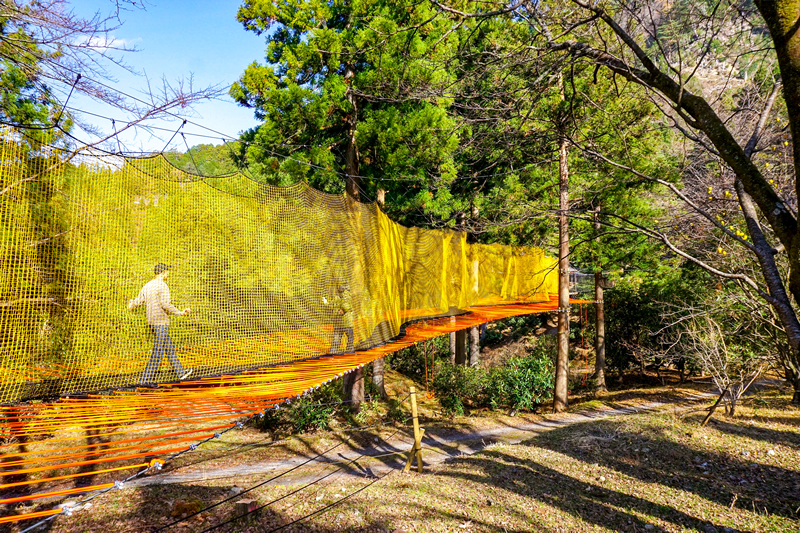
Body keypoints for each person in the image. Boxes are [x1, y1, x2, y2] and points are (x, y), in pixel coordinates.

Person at [128, 263, 192, 384]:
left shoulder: (147, 285)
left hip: (151, 322)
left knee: (169, 348)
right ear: (163, 273)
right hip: (161, 322)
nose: (168, 274)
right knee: (158, 352)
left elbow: (138, 301)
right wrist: (180, 313)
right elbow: (165, 304)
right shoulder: (162, 285)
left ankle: (181, 373)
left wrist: (131, 305)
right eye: (167, 272)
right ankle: (144, 381)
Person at [323, 283, 354, 354]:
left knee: (337, 339)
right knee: (349, 339)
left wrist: (326, 303)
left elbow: (334, 306)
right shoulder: (347, 296)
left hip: (340, 322)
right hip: (347, 323)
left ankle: (333, 352)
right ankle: (349, 352)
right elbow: (343, 306)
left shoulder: (341, 297)